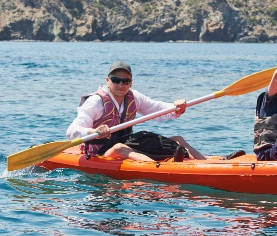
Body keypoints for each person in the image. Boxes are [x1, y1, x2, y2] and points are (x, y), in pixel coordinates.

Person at [66, 61, 205, 161]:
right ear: (108, 81)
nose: (121, 85)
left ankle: (205, 164)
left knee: (177, 140)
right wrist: (93, 132)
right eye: (116, 80)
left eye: (125, 81)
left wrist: (176, 108)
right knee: (120, 148)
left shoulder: (134, 97)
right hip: (99, 153)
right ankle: (159, 169)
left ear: (130, 83)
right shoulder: (96, 102)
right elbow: (72, 131)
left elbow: (158, 109)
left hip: (127, 144)